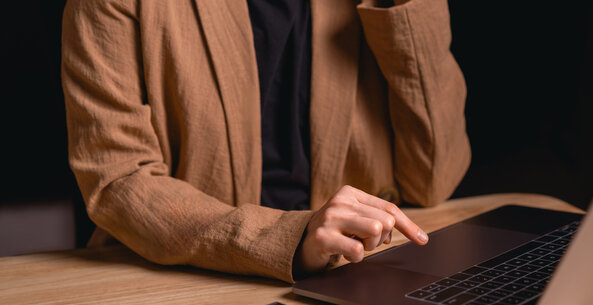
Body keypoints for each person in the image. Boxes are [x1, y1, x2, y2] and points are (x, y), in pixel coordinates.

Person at [61, 0, 471, 283]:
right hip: (184, 286)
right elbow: (119, 181)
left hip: (356, 280)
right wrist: (287, 237)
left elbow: (433, 179)